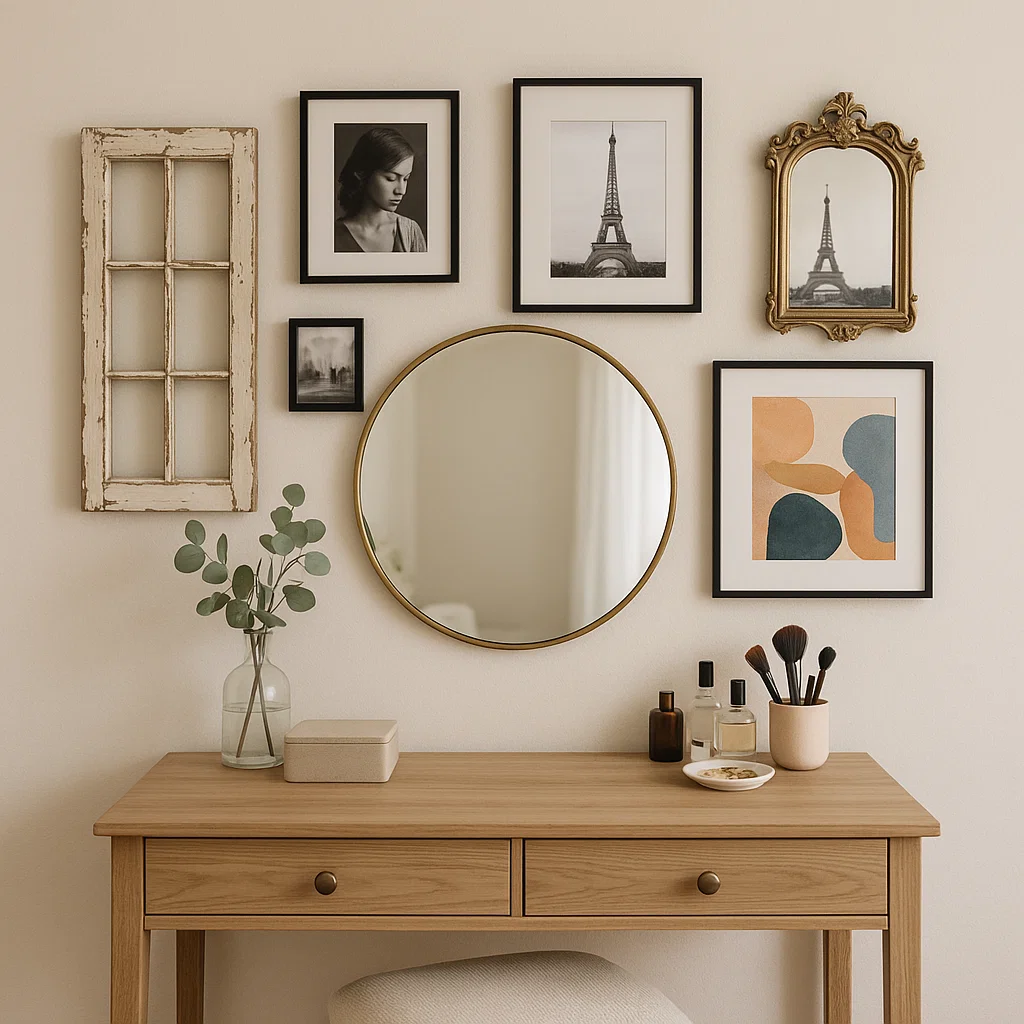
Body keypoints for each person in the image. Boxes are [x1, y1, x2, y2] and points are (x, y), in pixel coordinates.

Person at [335, 126, 426, 253]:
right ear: (362, 173)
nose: (401, 190)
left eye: (405, 179)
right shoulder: (333, 236)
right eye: (390, 178)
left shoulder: (410, 231)